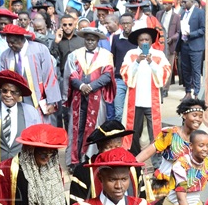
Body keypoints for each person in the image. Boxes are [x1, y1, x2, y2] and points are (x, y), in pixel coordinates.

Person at [135, 96, 207, 197]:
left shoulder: (200, 140)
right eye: (194, 115)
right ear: (184, 115)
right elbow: (148, 151)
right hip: (165, 188)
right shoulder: (170, 133)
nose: (198, 119)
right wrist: (130, 164)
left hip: (186, 190)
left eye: (200, 116)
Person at [64, 28, 115, 166]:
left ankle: (90, 158)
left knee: (94, 128)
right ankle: (74, 161)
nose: (90, 42)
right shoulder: (75, 55)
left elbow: (107, 76)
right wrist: (81, 86)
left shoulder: (106, 55)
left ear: (98, 41)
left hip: (97, 98)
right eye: (87, 39)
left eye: (93, 40)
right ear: (84, 39)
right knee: (77, 128)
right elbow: (71, 74)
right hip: (78, 98)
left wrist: (91, 87)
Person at [119, 28, 171, 156]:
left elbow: (165, 72)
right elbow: (124, 72)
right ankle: (133, 158)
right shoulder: (131, 54)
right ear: (137, 41)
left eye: (147, 39)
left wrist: (151, 62)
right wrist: (137, 62)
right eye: (141, 40)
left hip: (151, 101)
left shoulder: (159, 55)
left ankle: (157, 161)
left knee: (155, 131)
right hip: (135, 100)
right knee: (133, 131)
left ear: (152, 41)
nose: (144, 42)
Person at [0, 24, 61, 125]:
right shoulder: (5, 55)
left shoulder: (40, 50)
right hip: (15, 100)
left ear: (21, 38)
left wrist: (51, 101)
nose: (10, 45)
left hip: (37, 98)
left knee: (39, 127)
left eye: (13, 42)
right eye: (8, 42)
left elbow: (49, 75)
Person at [68, 119, 133, 204]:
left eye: (117, 147)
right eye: (108, 147)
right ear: (99, 147)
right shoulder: (83, 172)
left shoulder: (134, 168)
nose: (113, 152)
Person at [108, 14, 136, 123]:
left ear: (132, 24)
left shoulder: (137, 39)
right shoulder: (115, 38)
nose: (126, 26)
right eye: (123, 23)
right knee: (118, 112)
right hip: (119, 79)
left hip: (134, 79)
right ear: (120, 25)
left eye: (128, 23)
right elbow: (113, 58)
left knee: (131, 111)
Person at [179, 0, 206, 100]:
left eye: (185, 2)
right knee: (186, 70)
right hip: (184, 46)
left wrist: (192, 34)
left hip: (195, 46)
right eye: (183, 2)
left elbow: (203, 29)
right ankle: (188, 92)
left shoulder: (199, 13)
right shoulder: (183, 14)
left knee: (195, 70)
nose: (183, 3)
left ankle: (197, 94)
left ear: (192, 2)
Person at [157, 0, 181, 98]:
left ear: (171, 4)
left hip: (170, 45)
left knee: (168, 67)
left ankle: (165, 89)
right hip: (159, 44)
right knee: (159, 66)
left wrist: (172, 38)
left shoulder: (176, 16)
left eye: (167, 4)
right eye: (163, 3)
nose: (164, 6)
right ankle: (159, 87)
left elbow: (178, 32)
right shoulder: (159, 14)